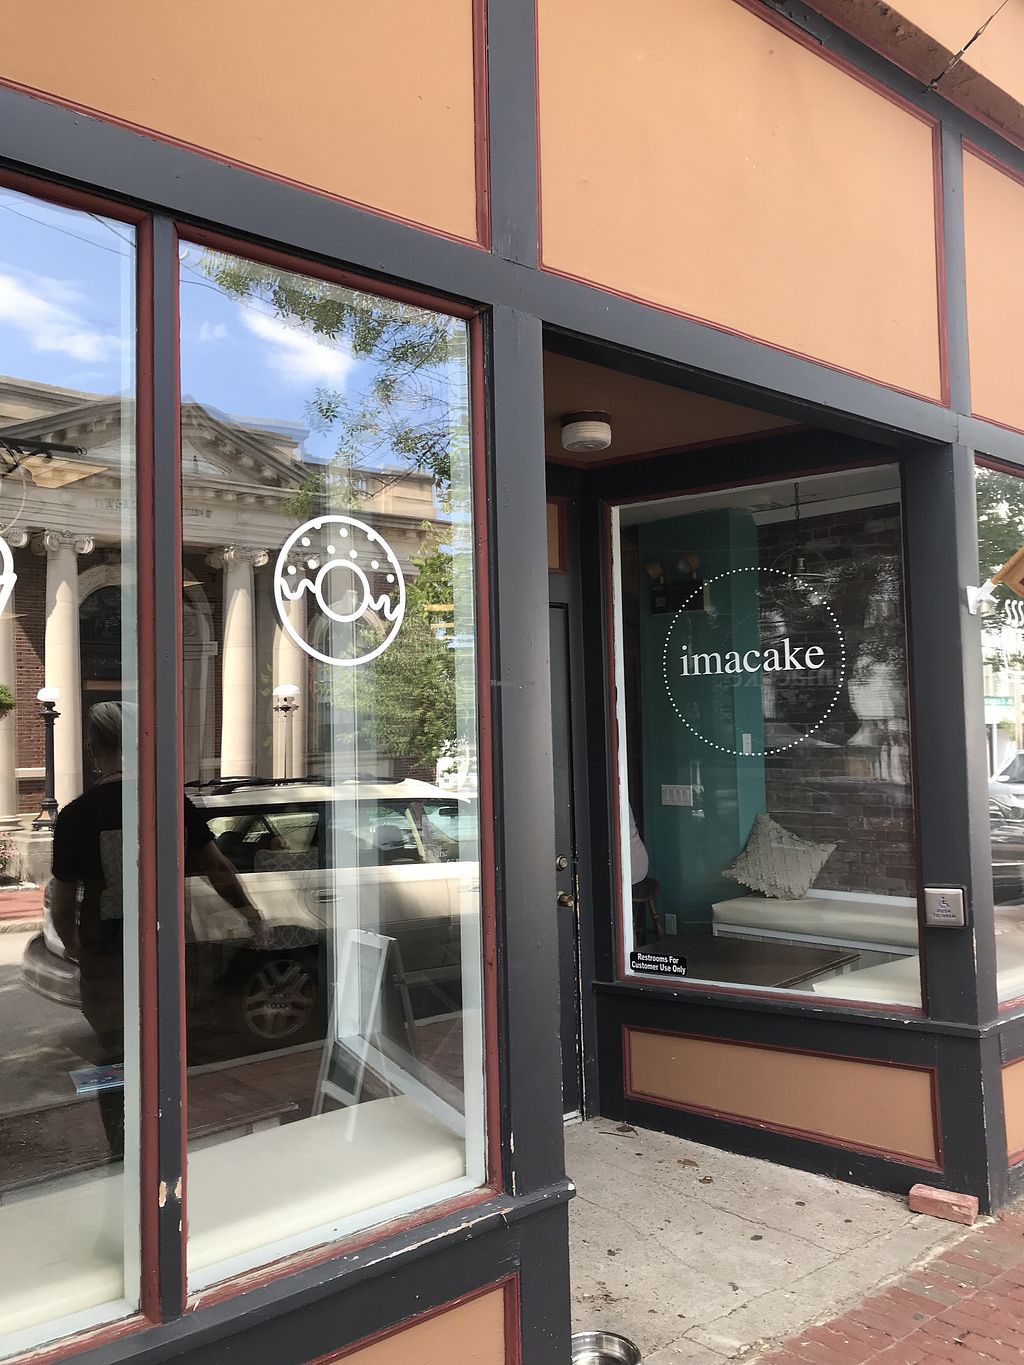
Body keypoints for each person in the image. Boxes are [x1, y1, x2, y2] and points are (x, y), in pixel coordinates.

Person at [49, 700, 263, 1159]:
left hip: (106, 954)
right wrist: (248, 911)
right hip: (167, 948)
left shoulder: (76, 815)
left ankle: (123, 1149)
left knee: (115, 1052)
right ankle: (166, 1144)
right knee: (167, 1047)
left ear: (94, 748)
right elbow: (218, 868)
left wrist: (73, 946)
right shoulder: (168, 802)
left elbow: (63, 901)